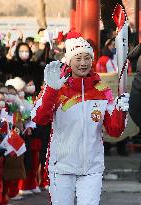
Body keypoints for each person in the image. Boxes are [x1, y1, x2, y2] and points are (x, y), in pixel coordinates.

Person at [31, 31, 129, 205]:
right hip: (62, 166)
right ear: (69, 60)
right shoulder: (57, 87)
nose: (83, 63)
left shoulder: (102, 90)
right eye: (78, 58)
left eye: (87, 58)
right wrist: (50, 91)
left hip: (92, 167)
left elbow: (115, 131)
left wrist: (121, 111)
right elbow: (39, 119)